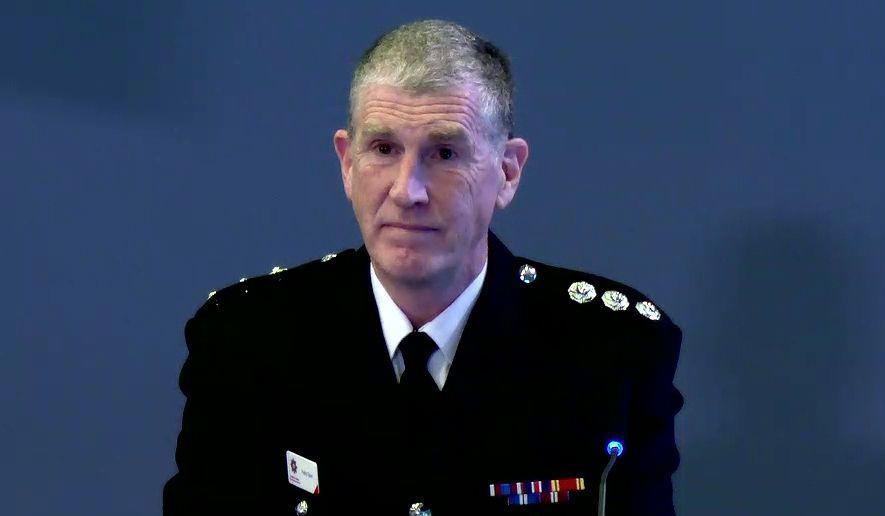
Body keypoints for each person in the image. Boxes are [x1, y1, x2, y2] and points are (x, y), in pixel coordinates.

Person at [163, 19, 683, 516]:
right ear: (347, 163)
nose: (406, 190)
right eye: (384, 149)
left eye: (445, 153)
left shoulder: (611, 353)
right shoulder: (247, 341)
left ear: (506, 172)